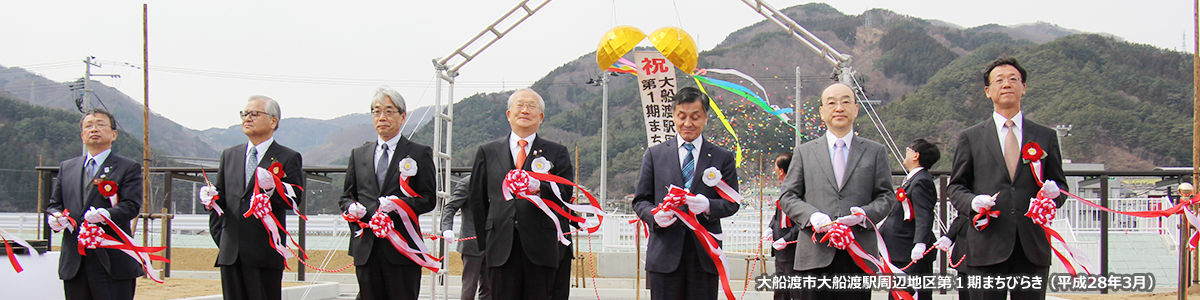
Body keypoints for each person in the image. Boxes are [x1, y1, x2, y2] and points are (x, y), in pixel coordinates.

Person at [947, 56, 1067, 300]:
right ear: (988, 91)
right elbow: (956, 187)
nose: (1007, 84)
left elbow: (1060, 187)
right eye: (999, 80)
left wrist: (1054, 196)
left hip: (1032, 246)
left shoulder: (1045, 136)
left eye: (1014, 79)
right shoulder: (970, 137)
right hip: (986, 244)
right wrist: (972, 202)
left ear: (1024, 88)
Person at [778, 83, 894, 300]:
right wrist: (812, 216)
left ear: (856, 109)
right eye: (831, 103)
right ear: (822, 112)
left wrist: (863, 216)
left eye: (845, 101)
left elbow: (886, 196)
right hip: (814, 253)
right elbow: (788, 196)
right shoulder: (804, 152)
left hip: (857, 254)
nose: (839, 107)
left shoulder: (875, 151)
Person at [631, 86, 741, 300]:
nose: (688, 123)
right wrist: (654, 215)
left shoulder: (722, 157)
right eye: (682, 116)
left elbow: (732, 202)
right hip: (664, 254)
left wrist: (708, 205)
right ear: (673, 116)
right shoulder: (655, 154)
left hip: (705, 255)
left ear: (706, 118)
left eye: (695, 117)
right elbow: (640, 200)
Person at [468, 89, 575, 300]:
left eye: (532, 106)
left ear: (541, 117)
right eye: (519, 105)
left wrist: (539, 187)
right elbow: (477, 200)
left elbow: (565, 194)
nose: (525, 110)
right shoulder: (487, 152)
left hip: (542, 246)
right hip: (501, 246)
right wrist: (486, 244)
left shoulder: (556, 151)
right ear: (509, 114)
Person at [201, 95, 305, 300]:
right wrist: (210, 198)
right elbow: (223, 197)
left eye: (254, 114)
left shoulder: (287, 157)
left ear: (273, 121)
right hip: (231, 252)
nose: (247, 118)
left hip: (264, 252)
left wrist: (271, 189)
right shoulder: (230, 155)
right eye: (244, 114)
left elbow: (295, 198)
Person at [338, 87, 437, 300]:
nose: (382, 117)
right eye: (376, 111)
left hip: (402, 247)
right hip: (367, 247)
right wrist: (351, 208)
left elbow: (429, 199)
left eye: (389, 111)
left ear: (403, 117)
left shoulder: (419, 153)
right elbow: (346, 196)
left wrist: (399, 205)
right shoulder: (359, 154)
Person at [46, 108, 143, 300]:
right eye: (88, 126)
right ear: (82, 136)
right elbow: (54, 204)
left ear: (114, 134)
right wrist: (56, 218)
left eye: (100, 124)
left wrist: (107, 215)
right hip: (75, 261)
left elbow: (131, 205)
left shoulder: (128, 167)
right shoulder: (68, 167)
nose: (94, 129)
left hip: (112, 259)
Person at [880, 139, 941, 300]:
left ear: (916, 155)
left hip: (909, 252)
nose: (906, 152)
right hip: (900, 250)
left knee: (907, 295)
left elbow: (924, 214)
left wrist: (920, 243)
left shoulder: (922, 181)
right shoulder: (913, 179)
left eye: (909, 149)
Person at [441, 175, 492, 300]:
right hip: (472, 243)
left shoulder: (497, 180)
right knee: (469, 287)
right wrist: (447, 228)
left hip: (493, 243)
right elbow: (450, 207)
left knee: (490, 288)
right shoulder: (467, 183)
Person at [765, 152, 799, 300]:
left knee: (795, 288)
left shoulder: (799, 191)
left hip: (792, 248)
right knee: (781, 288)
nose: (775, 171)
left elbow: (801, 221)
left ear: (782, 170)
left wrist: (787, 239)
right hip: (781, 250)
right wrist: (770, 228)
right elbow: (778, 214)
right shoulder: (784, 189)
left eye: (776, 168)